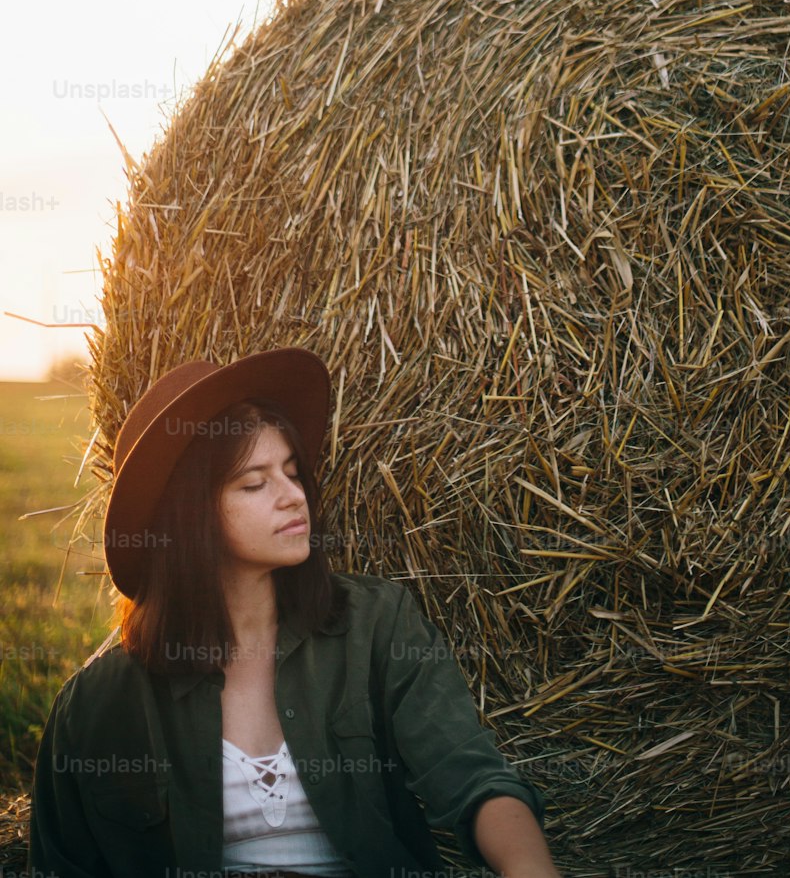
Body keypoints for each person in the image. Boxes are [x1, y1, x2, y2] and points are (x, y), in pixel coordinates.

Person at [28, 346, 562, 878]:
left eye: (292, 472)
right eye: (255, 484)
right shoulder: (98, 703)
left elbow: (472, 777)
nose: (294, 497)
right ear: (189, 517)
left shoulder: (377, 625)